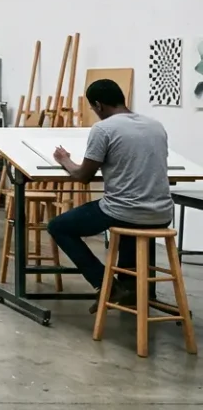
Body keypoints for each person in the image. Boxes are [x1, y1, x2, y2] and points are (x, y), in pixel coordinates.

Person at [46, 79, 173, 310]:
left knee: (58, 226)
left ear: (98, 104)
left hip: (125, 212)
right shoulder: (155, 125)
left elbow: (83, 175)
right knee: (129, 218)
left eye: (94, 109)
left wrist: (65, 160)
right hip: (162, 213)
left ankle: (106, 286)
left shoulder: (104, 129)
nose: (95, 113)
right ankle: (130, 290)